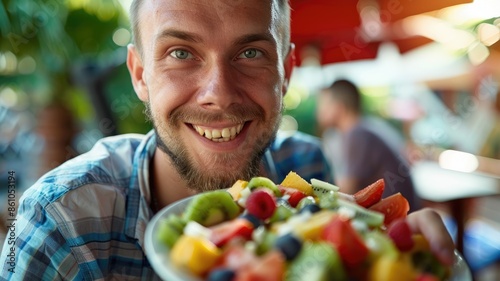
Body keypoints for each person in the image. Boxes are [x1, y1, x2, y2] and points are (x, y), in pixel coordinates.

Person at [1, 0, 454, 280]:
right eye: (181, 53)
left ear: (286, 72)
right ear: (141, 74)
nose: (218, 93)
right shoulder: (61, 222)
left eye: (251, 53)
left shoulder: (308, 164)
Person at [316, 79, 422, 211]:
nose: (319, 111)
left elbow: (346, 190)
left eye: (323, 104)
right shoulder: (364, 128)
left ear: (339, 107)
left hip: (398, 217)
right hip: (400, 212)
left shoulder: (357, 134)